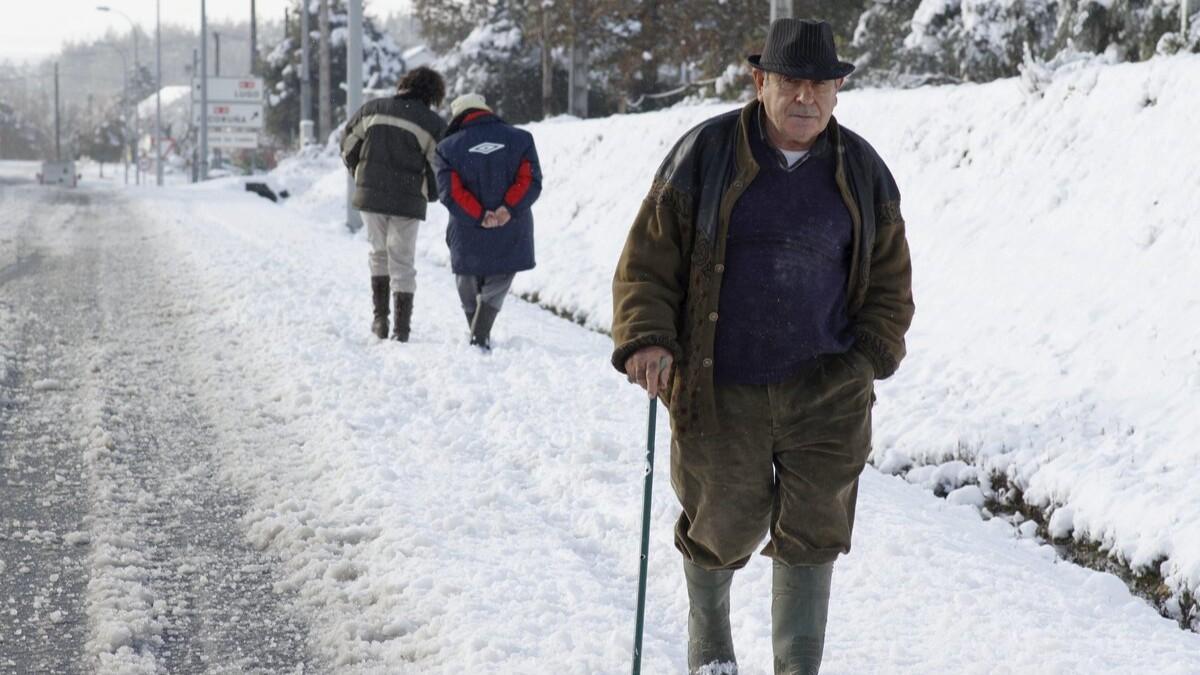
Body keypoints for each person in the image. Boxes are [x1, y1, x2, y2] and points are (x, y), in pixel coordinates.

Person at [610, 19, 914, 675]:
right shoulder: (706, 152)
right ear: (760, 82)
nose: (804, 97)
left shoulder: (861, 170)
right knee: (721, 522)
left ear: (836, 90)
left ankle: (796, 666)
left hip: (827, 388)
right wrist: (647, 337)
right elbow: (647, 263)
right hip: (720, 385)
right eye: (790, 82)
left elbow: (891, 281)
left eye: (819, 84)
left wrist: (868, 359)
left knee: (814, 530)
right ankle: (712, 649)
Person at [341, 66, 447, 342]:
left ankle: (380, 320)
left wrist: (359, 173)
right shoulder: (432, 124)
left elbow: (347, 144)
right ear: (433, 94)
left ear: (404, 85)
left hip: (371, 195)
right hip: (407, 198)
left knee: (379, 253)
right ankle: (401, 330)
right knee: (402, 261)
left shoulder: (372, 109)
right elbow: (440, 166)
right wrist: (431, 193)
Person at [434, 93, 542, 350]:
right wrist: (507, 208)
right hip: (512, 225)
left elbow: (451, 191)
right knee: (502, 273)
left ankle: (477, 333)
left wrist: (479, 215)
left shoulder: (447, 148)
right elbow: (529, 181)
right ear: (486, 110)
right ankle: (480, 333)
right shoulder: (521, 139)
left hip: (467, 227)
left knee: (467, 278)